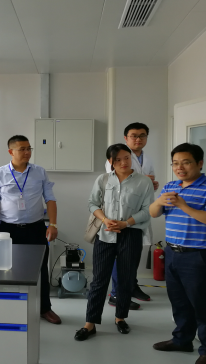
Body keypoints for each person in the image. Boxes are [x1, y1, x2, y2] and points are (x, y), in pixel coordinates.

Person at [150, 143, 206, 364]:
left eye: (185, 162)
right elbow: (153, 213)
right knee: (179, 302)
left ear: (199, 163)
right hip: (172, 253)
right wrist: (158, 201)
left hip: (198, 255)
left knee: (202, 305)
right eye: (175, 163)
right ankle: (182, 340)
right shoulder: (170, 186)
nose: (179, 167)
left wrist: (184, 205)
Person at [75, 144, 154, 341]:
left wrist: (125, 223)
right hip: (105, 234)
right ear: (110, 161)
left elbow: (148, 210)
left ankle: (120, 318)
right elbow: (92, 203)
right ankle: (90, 323)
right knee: (99, 280)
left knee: (126, 279)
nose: (123, 162)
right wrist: (104, 219)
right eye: (117, 159)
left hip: (131, 233)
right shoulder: (103, 179)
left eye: (126, 157)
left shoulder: (144, 182)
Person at [0, 135, 61, 324]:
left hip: (35, 228)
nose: (27, 152)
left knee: (40, 268)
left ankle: (44, 308)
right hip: (7, 229)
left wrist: (53, 224)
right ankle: (9, 309)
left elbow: (50, 199)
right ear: (11, 152)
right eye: (22, 149)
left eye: (29, 148)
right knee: (6, 269)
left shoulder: (39, 172)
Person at [107, 122, 159, 310]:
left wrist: (152, 185)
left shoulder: (148, 158)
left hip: (140, 213)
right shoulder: (118, 156)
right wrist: (143, 181)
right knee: (121, 256)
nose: (138, 139)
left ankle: (131, 286)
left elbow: (148, 185)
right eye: (134, 136)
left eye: (142, 135)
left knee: (133, 255)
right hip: (121, 215)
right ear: (126, 138)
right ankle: (116, 294)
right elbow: (115, 183)